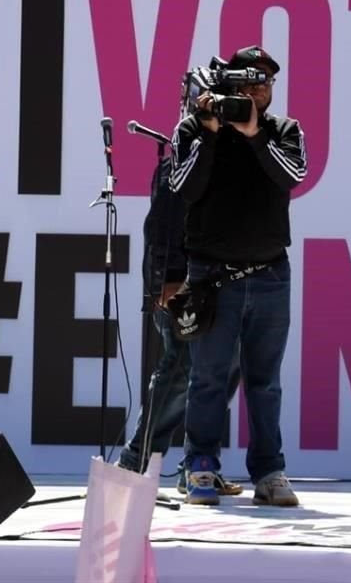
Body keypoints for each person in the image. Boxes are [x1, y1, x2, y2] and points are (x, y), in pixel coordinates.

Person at [170, 45, 305, 506]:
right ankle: (200, 465)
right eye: (247, 80)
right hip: (212, 275)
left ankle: (269, 472)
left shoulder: (283, 130)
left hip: (270, 274)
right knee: (207, 378)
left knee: (265, 381)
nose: (256, 88)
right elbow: (182, 186)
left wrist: (253, 135)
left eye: (265, 81)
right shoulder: (194, 126)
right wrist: (210, 132)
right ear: (225, 82)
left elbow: (292, 175)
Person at [117, 151, 242, 497]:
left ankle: (198, 465)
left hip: (226, 286)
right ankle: (135, 461)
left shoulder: (239, 159)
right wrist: (167, 277)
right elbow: (162, 223)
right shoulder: (181, 163)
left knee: (226, 365)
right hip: (183, 285)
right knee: (182, 367)